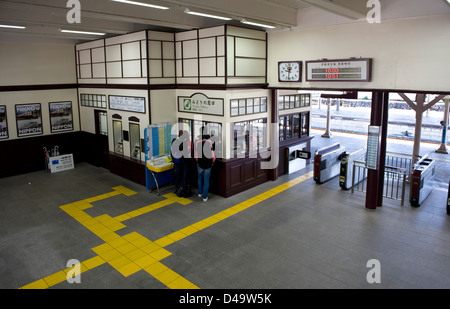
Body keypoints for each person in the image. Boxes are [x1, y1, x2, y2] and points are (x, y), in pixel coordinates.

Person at [195, 126, 215, 202]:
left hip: (199, 162)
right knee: (206, 180)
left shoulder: (197, 141)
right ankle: (205, 197)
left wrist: (197, 160)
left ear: (200, 132)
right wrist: (213, 161)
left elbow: (196, 153)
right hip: (208, 163)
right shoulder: (209, 141)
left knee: (199, 178)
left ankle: (200, 193)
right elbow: (212, 153)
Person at [171, 130, 192, 197]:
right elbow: (187, 154)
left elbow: (171, 152)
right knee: (184, 177)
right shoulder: (185, 142)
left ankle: (177, 190)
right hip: (184, 162)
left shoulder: (174, 141)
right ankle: (184, 192)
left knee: (178, 176)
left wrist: (174, 160)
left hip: (177, 162)